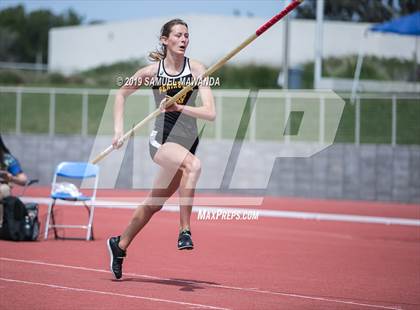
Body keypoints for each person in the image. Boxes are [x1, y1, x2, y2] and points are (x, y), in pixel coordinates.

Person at [107, 18, 216, 279]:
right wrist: (118, 130)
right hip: (163, 141)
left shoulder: (197, 69)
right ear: (165, 40)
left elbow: (210, 113)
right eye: (178, 35)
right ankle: (185, 230)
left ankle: (119, 244)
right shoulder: (151, 73)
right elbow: (120, 94)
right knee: (194, 165)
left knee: (153, 204)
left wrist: (179, 107)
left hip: (188, 142)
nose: (183, 40)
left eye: (187, 36)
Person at [0, 135, 29, 228]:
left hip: (2, 186)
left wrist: (11, 178)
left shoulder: (7, 159)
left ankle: (1, 224)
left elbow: (23, 180)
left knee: (3, 190)